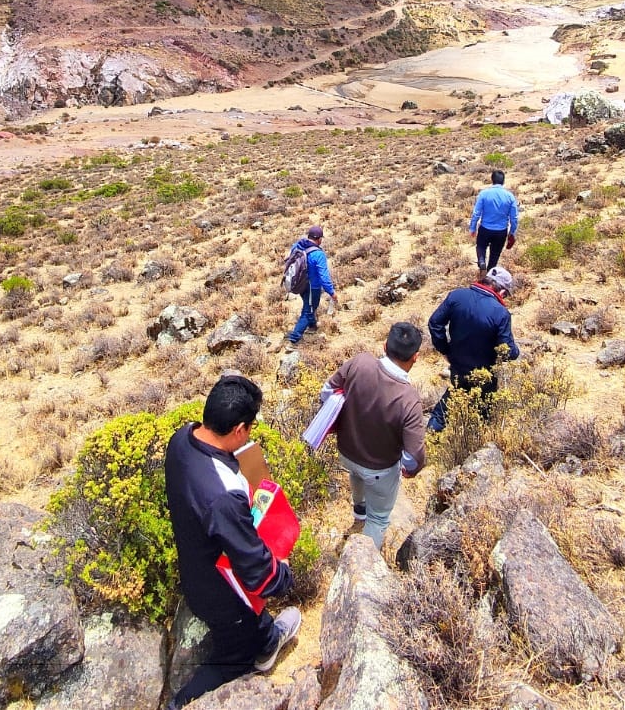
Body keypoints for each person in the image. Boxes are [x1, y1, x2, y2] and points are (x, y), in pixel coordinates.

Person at [164, 376, 300, 707]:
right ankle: (180, 702)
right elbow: (256, 570)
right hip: (219, 588)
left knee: (248, 626)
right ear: (239, 429)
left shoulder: (181, 438)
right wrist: (282, 574)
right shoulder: (222, 497)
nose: (251, 433)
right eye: (250, 427)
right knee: (236, 652)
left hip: (193, 560)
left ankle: (264, 634)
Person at [320, 322, 428, 547]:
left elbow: (327, 392)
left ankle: (359, 510)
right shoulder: (408, 399)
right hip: (379, 468)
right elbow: (414, 457)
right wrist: (408, 470)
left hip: (346, 452)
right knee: (378, 519)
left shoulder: (360, 362)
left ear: (384, 345)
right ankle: (362, 560)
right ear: (415, 357)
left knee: (357, 474)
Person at [426, 265, 521, 432]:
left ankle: (430, 437)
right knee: (483, 413)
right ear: (502, 291)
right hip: (485, 374)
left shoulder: (457, 296)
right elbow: (507, 351)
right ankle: (474, 445)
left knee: (451, 400)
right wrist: (516, 352)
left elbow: (435, 323)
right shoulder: (500, 313)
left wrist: (445, 350)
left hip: (458, 365)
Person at [285, 225, 337, 345]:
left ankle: (312, 327)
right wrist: (332, 292)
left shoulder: (297, 245)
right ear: (319, 239)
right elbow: (324, 277)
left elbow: (287, 257)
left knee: (310, 306)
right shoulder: (318, 254)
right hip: (312, 287)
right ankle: (293, 341)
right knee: (308, 311)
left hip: (299, 284)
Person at [469, 169, 519, 275]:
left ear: (492, 180)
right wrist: (512, 233)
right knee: (495, 255)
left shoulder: (484, 194)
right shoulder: (510, 196)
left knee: (481, 247)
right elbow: (514, 218)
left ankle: (482, 262)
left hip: (485, 228)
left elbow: (476, 213)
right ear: (503, 181)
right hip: (501, 231)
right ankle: (489, 275)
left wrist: (473, 228)